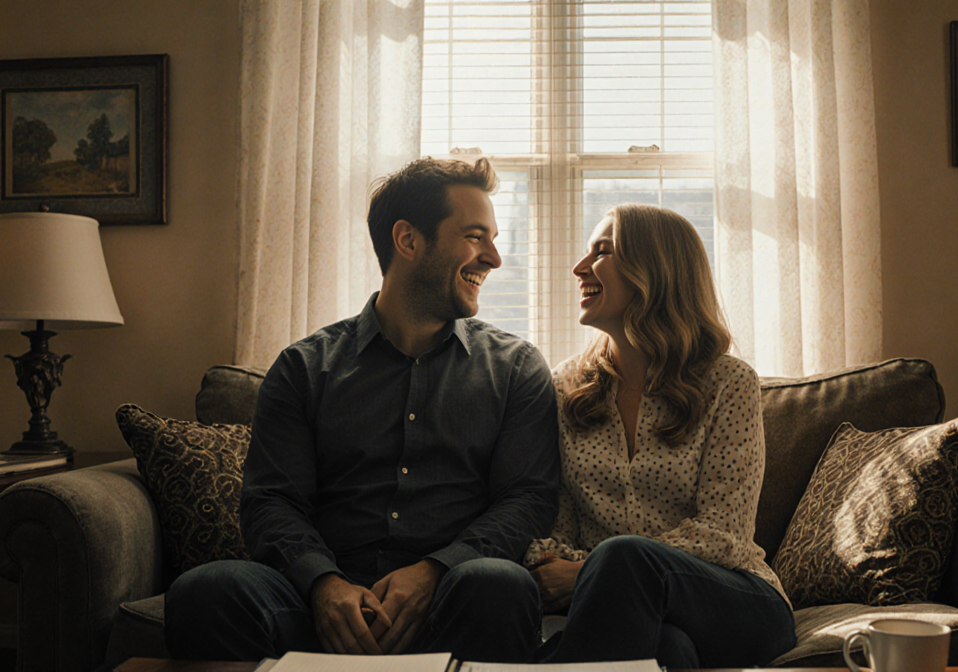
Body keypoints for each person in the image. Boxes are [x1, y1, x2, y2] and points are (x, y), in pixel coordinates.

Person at [165, 158, 560, 662]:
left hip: (452, 600)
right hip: (319, 610)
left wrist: (435, 571)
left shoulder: (515, 368)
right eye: (476, 236)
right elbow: (271, 501)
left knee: (500, 584)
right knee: (207, 589)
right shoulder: (303, 368)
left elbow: (527, 499)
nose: (494, 258)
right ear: (408, 241)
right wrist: (322, 584)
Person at [525, 204, 796, 668]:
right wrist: (584, 570)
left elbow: (724, 532)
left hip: (735, 598)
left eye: (601, 251)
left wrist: (593, 571)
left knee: (624, 557)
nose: (579, 268)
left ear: (653, 270)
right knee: (670, 650)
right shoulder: (565, 388)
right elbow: (558, 527)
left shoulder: (729, 383)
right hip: (630, 613)